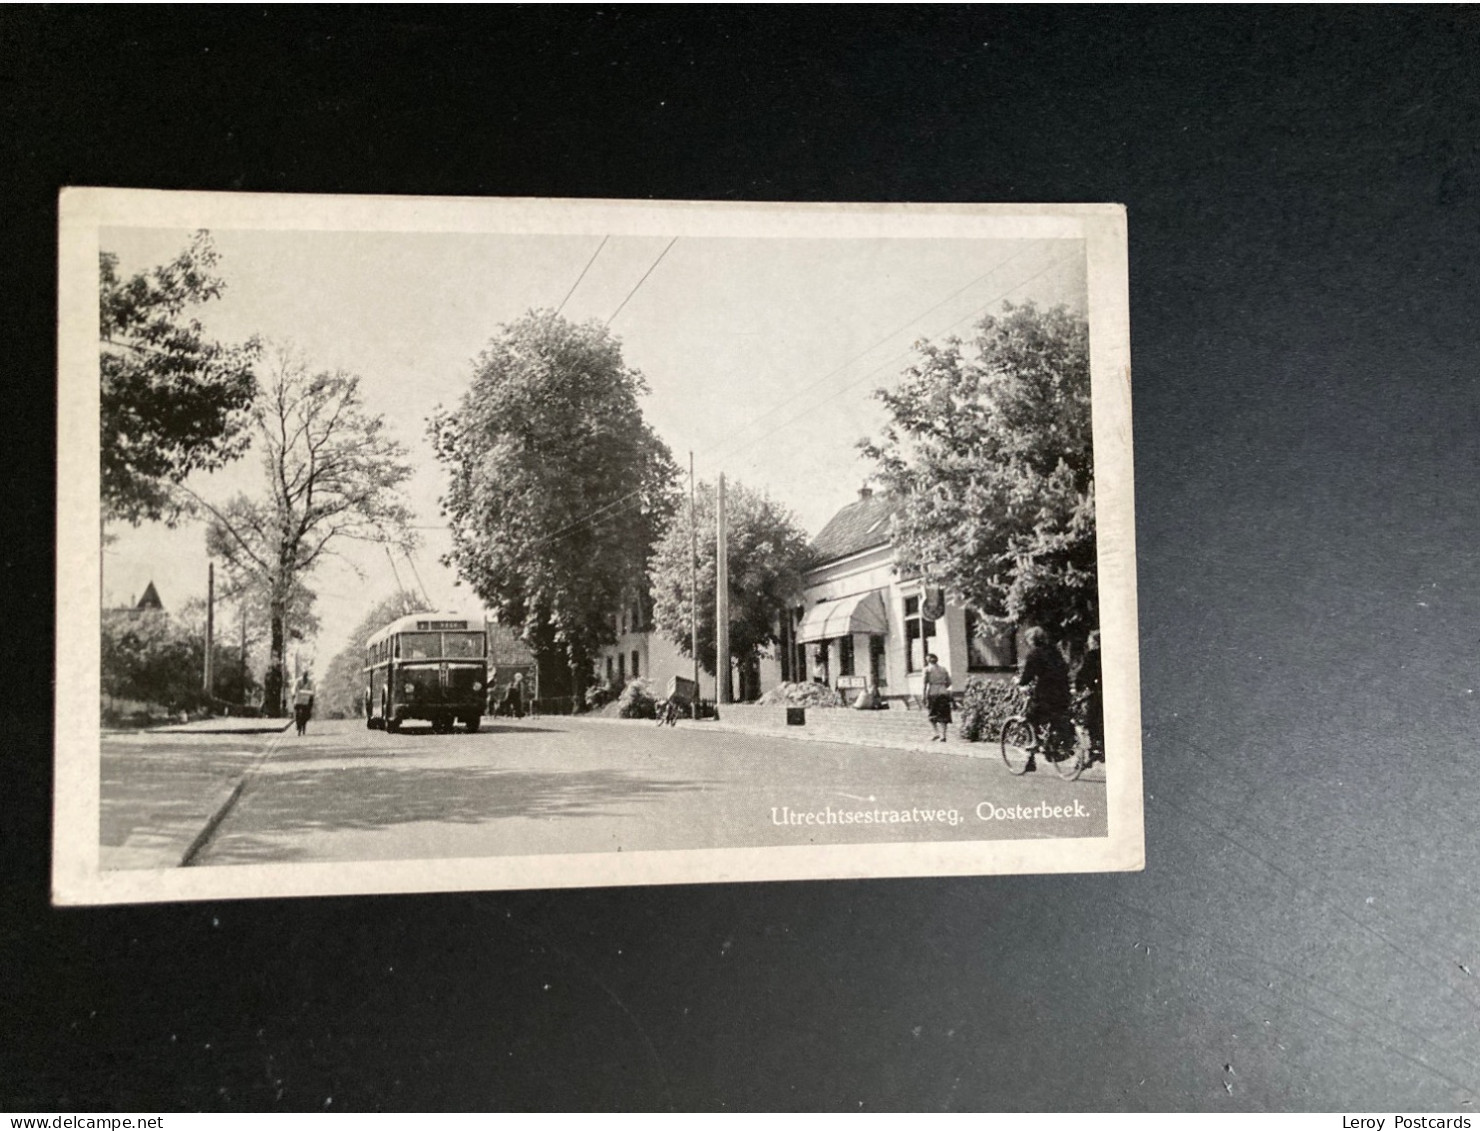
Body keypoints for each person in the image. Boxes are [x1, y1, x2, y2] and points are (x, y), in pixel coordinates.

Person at [1016, 627, 1072, 772]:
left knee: (1030, 715)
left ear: (1032, 640)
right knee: (1056, 717)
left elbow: (1027, 675)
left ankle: (1034, 742)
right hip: (1063, 693)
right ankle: (1052, 745)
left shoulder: (1034, 654)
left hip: (1046, 693)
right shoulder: (1055, 652)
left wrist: (1021, 683)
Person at [1076, 630, 1104, 763]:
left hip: (1098, 693)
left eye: (1090, 641)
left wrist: (1079, 688)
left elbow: (1083, 674)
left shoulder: (1092, 655)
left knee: (1090, 720)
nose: (1089, 643)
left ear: (1094, 642)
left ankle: (1095, 751)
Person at [922, 653, 952, 741]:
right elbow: (949, 682)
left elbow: (924, 683)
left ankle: (936, 733)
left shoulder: (927, 669)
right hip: (943, 692)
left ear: (928, 660)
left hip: (933, 692)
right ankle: (943, 735)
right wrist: (943, 687)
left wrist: (924, 695)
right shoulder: (943, 669)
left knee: (932, 714)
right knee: (944, 714)